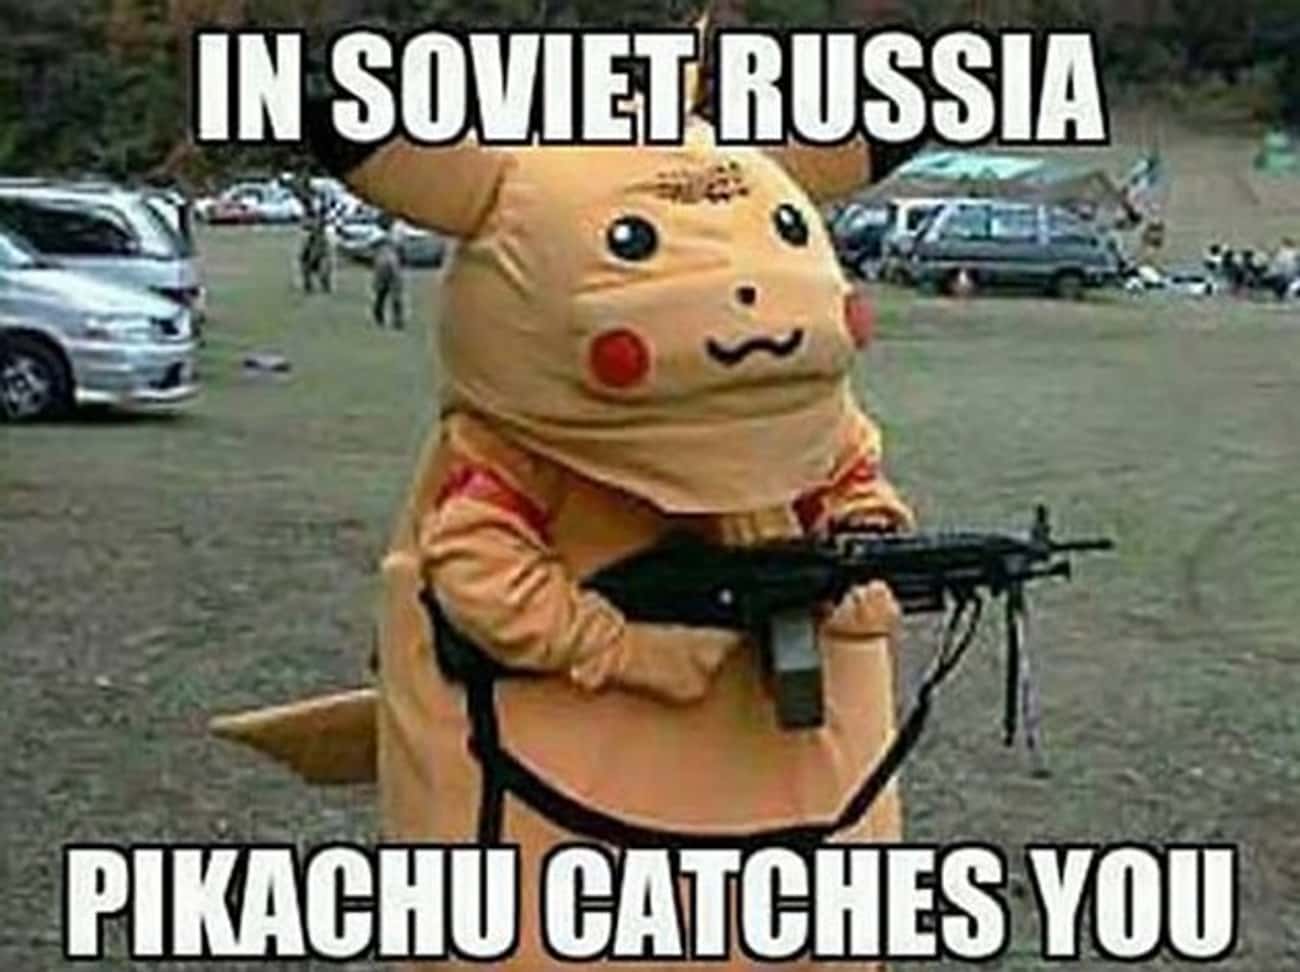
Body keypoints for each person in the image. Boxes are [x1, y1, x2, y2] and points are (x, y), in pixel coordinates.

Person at [214, 35, 911, 971]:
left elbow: (850, 473)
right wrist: (623, 648)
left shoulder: (801, 416)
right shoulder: (513, 447)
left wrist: (865, 548)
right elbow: (481, 572)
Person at [371, 215, 405, 329]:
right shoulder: (379, 233)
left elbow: (400, 247)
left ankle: (393, 318)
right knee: (386, 291)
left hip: (388, 262)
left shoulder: (396, 231)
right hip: (388, 262)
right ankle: (384, 315)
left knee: (390, 292)